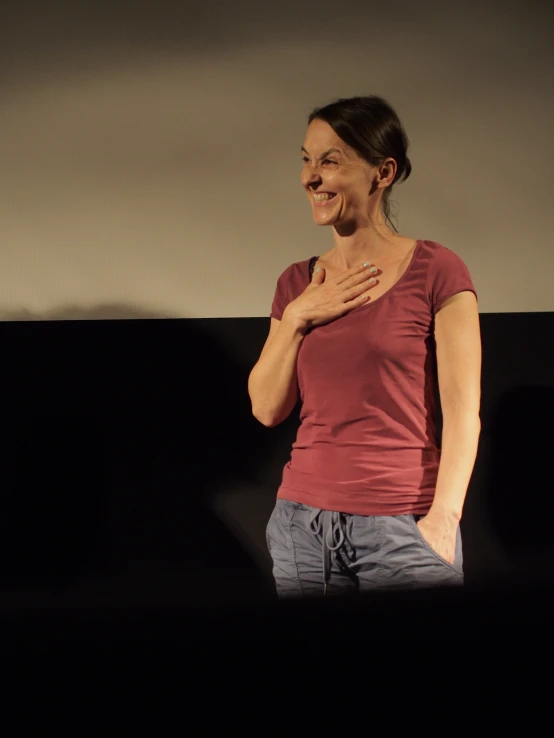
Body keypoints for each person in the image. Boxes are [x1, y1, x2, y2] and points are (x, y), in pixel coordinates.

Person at [247, 96, 481, 597]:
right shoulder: (296, 283)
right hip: (301, 526)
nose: (311, 177)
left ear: (383, 173)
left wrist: (442, 519)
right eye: (306, 160)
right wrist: (298, 315)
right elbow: (266, 408)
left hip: (402, 526)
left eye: (329, 161)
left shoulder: (437, 270)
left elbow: (464, 415)